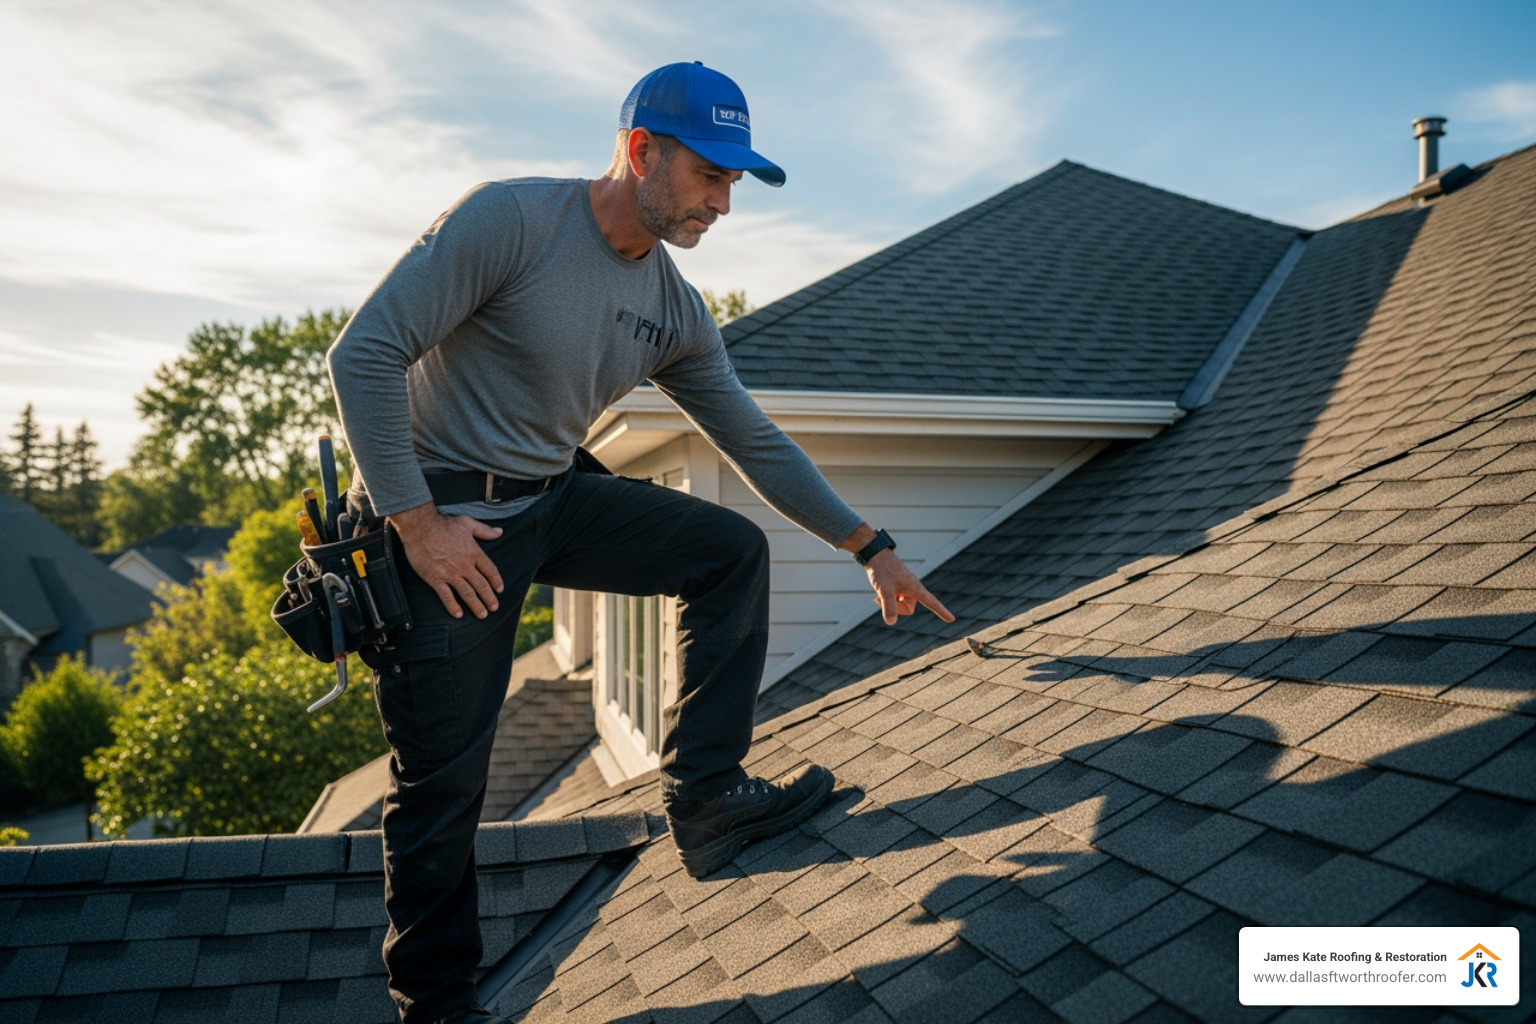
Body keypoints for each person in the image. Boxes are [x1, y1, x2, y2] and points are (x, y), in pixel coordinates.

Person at [328, 61, 954, 1024]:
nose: (723, 204)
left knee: (728, 552)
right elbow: (362, 353)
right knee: (444, 784)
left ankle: (707, 799)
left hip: (549, 499)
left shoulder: (674, 308)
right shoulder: (509, 221)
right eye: (709, 176)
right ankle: (438, 1005)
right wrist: (416, 524)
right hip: (443, 519)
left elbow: (753, 439)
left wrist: (870, 545)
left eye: (733, 183)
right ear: (640, 150)